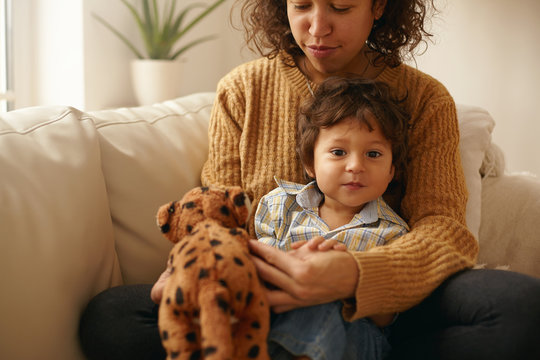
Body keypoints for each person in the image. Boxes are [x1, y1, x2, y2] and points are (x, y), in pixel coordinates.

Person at [79, 1, 540, 359]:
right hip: (264, 296)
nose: (317, 28)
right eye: (301, 6)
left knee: (522, 311)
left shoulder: (425, 100)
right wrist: (203, 268)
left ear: (378, 6)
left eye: (340, 8)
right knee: (112, 316)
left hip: (388, 311)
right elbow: (220, 213)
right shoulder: (242, 91)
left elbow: (445, 232)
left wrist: (354, 276)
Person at [255, 77, 409, 359]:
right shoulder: (278, 206)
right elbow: (257, 272)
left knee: (323, 305)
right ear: (309, 164)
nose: (355, 166)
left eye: (373, 154)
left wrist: (344, 282)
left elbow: (388, 317)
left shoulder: (393, 233)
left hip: (358, 335)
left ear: (391, 172)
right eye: (338, 152)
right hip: (278, 316)